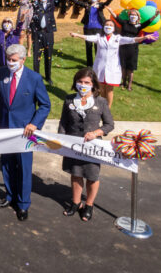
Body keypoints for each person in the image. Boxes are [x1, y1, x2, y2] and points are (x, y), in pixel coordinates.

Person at [0, 44, 51, 221]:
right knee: (7, 164)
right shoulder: (0, 73)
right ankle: (10, 196)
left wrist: (34, 123)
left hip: (25, 132)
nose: (10, 63)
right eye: (8, 59)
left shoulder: (34, 78)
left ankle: (23, 204)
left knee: (24, 168)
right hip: (5, 129)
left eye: (14, 60)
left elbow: (45, 105)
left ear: (23, 60)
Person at [58, 67, 114, 222]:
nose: (83, 85)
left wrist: (96, 133)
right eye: (80, 81)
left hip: (93, 147)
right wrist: (61, 142)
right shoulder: (69, 100)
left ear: (93, 84)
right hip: (72, 145)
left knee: (92, 176)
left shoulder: (101, 102)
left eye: (86, 82)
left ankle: (89, 205)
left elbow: (109, 125)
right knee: (75, 174)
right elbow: (63, 122)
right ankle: (75, 203)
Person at [69, 21, 146, 107]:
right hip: (100, 67)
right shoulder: (99, 37)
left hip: (112, 68)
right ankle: (102, 106)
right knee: (101, 88)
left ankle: (107, 109)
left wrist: (143, 38)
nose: (108, 27)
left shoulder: (117, 38)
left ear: (114, 28)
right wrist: (77, 35)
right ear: (103, 27)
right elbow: (88, 37)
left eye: (111, 25)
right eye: (107, 25)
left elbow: (131, 40)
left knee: (109, 89)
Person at [29, 0, 75, 84]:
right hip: (37, 32)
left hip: (48, 33)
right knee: (37, 55)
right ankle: (36, 76)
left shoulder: (52, 2)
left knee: (48, 55)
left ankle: (48, 77)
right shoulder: (36, 3)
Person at [106, 6, 160, 90]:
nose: (133, 16)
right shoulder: (125, 23)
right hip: (123, 47)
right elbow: (116, 17)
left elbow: (148, 22)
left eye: (135, 15)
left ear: (138, 17)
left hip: (133, 48)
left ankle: (129, 85)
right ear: (129, 16)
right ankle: (123, 82)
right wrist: (110, 10)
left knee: (130, 68)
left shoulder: (139, 26)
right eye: (131, 15)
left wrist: (155, 15)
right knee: (123, 66)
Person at [69, 0, 116, 65]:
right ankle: (89, 63)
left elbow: (107, 3)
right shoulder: (87, 5)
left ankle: (98, 62)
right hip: (88, 28)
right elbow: (78, 2)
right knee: (88, 46)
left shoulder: (100, 5)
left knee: (98, 46)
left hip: (99, 28)